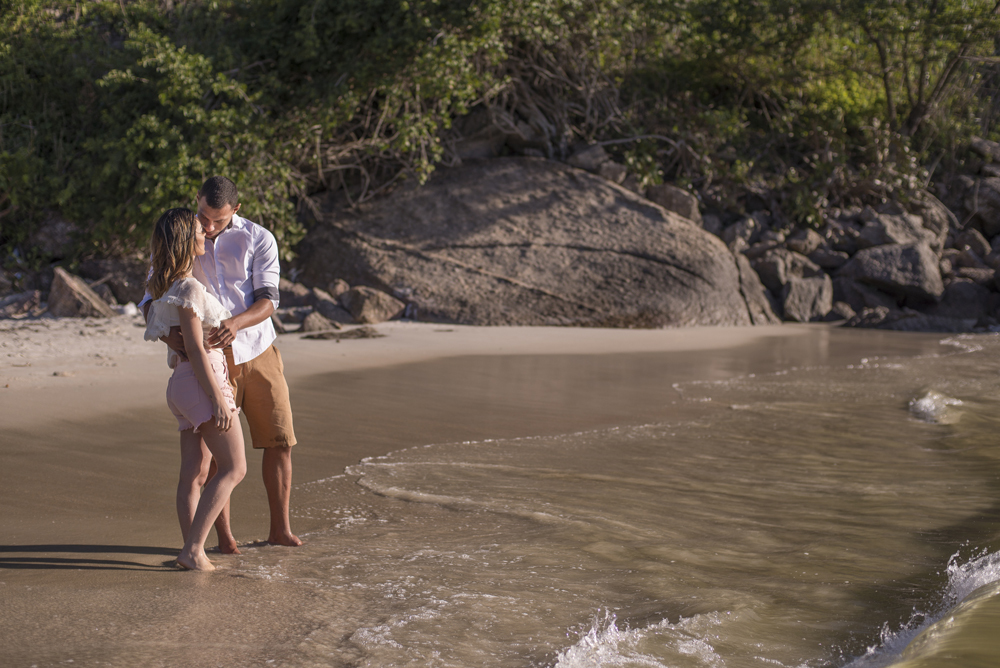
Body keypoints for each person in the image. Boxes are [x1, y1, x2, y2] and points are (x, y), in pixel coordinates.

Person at [140, 176, 302, 552]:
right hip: (206, 360)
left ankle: (279, 530)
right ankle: (221, 540)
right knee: (215, 458)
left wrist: (236, 324)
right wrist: (168, 337)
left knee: (280, 440)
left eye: (219, 219)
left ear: (236, 210)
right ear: (196, 200)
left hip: (257, 351)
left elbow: (269, 299)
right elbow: (150, 299)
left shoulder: (259, 238)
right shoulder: (184, 234)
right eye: (204, 216)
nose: (209, 227)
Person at [143, 208, 247, 571]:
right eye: (200, 231)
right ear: (187, 241)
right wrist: (218, 398)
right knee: (234, 468)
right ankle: (193, 551)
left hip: (181, 384)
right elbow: (196, 347)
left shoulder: (166, 287)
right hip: (202, 380)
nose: (206, 233)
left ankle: (191, 551)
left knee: (194, 473)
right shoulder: (187, 288)